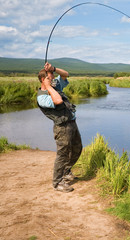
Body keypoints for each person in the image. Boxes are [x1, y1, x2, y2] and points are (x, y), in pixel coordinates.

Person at [37, 62, 82, 193]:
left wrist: (53, 69)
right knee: (62, 154)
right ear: (42, 80)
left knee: (77, 149)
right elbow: (58, 101)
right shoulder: (42, 98)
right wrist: (48, 87)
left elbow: (65, 74)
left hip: (72, 123)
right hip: (62, 127)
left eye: (52, 78)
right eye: (50, 78)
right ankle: (57, 182)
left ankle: (66, 171)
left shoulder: (55, 86)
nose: (53, 80)